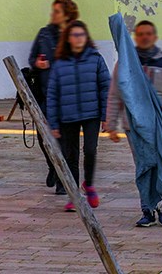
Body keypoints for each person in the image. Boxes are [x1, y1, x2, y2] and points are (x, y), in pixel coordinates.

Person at [106, 19, 162, 226]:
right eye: (140, 34)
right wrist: (111, 123)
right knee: (143, 167)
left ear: (154, 37)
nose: (144, 37)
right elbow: (115, 94)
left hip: (160, 127)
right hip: (134, 127)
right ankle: (147, 209)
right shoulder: (125, 65)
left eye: (148, 33)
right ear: (135, 37)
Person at [47, 19, 111, 210]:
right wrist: (53, 122)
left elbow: (105, 87)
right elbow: (52, 94)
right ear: (68, 39)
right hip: (68, 116)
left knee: (90, 149)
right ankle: (74, 195)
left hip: (91, 114)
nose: (78, 39)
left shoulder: (96, 59)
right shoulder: (60, 64)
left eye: (81, 35)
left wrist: (106, 115)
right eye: (74, 35)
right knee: (70, 155)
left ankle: (89, 184)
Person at [27, 0, 79, 193]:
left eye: (57, 12)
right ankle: (52, 166)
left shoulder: (75, 36)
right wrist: (37, 64)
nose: (52, 15)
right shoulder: (44, 34)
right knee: (44, 136)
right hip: (45, 93)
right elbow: (32, 58)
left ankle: (62, 181)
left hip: (67, 95)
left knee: (65, 138)